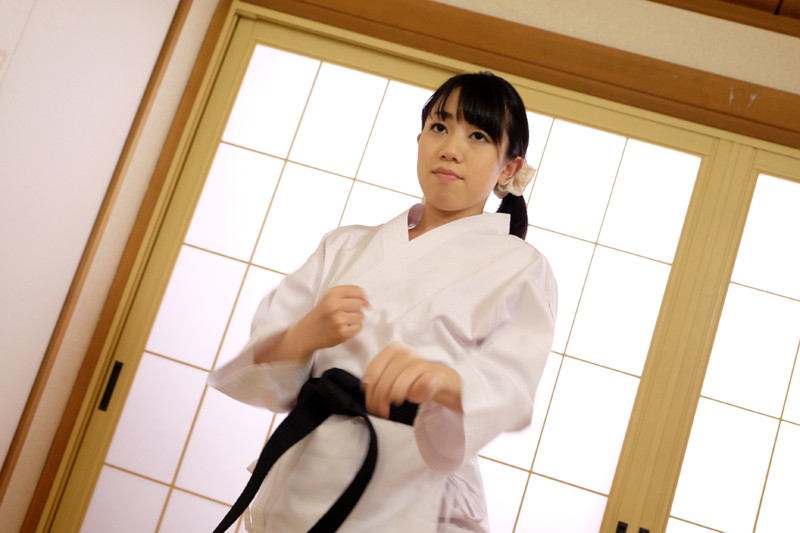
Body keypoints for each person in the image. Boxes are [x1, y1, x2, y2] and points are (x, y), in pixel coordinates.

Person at [208, 71, 558, 532]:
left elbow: (511, 386)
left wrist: (445, 382)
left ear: (509, 169)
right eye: (439, 127)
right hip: (304, 474)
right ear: (419, 140)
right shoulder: (344, 245)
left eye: (478, 136)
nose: (451, 148)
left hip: (409, 498)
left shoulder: (521, 267)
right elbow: (264, 362)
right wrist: (304, 335)